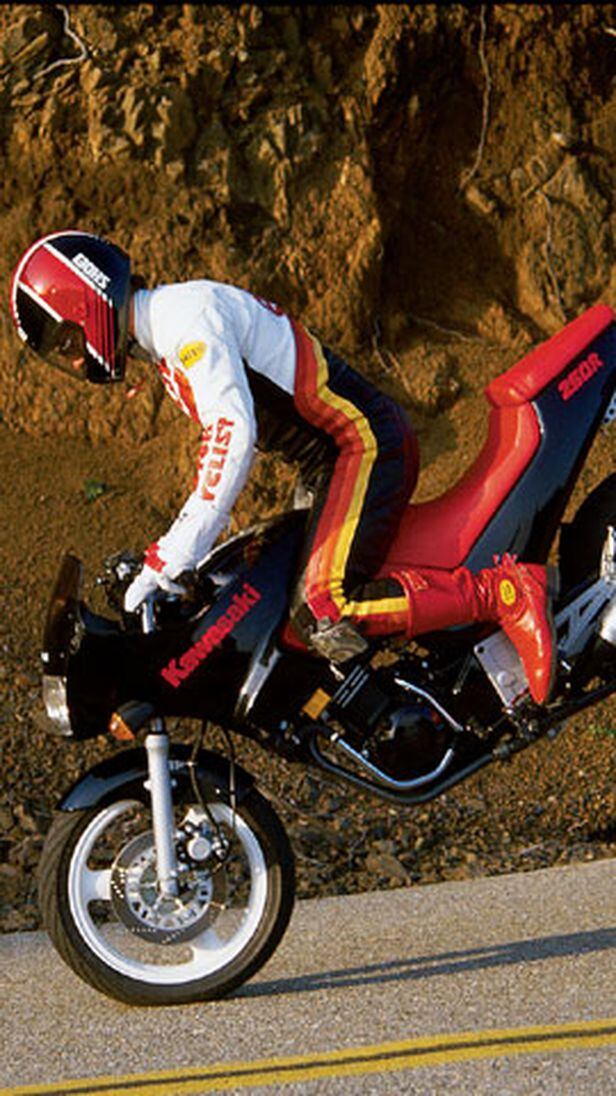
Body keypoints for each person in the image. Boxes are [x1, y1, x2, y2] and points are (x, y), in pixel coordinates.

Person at [9, 230, 556, 703]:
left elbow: (231, 437)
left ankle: (504, 592)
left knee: (323, 610)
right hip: (327, 463)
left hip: (361, 445)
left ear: (90, 302)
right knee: (272, 607)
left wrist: (171, 554)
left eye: (68, 340)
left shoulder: (185, 322)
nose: (75, 359)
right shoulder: (168, 335)